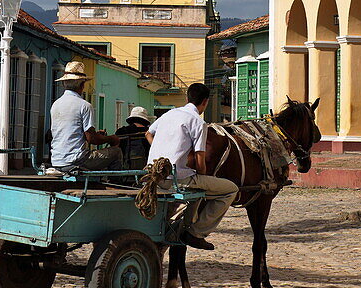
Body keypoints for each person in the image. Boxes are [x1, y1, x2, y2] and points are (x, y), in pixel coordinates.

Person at [145, 82, 238, 250]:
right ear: (205, 102)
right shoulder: (198, 122)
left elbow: (148, 133)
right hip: (176, 179)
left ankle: (186, 223)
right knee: (230, 189)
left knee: (197, 187)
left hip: (153, 174)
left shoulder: (169, 114)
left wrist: (162, 153)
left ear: (187, 98)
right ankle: (196, 232)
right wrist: (201, 173)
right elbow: (200, 160)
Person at [50, 61, 123, 172]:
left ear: (63, 84)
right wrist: (111, 139)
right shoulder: (84, 105)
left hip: (57, 160)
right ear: (82, 85)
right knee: (116, 152)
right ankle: (115, 182)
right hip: (77, 159)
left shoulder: (56, 104)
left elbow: (73, 132)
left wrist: (97, 135)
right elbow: (92, 139)